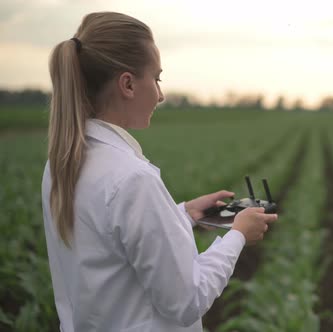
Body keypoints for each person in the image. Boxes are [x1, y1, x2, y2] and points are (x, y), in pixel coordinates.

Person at [41, 11, 278, 332]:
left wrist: (183, 214)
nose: (161, 94)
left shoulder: (62, 163)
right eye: (156, 78)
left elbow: (110, 244)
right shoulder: (131, 179)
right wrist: (236, 235)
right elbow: (187, 300)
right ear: (127, 84)